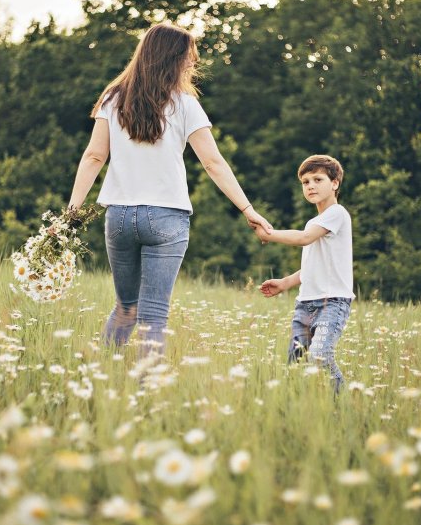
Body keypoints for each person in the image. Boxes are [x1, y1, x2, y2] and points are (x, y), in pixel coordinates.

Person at [68, 22, 271, 359]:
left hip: (118, 216)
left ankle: (101, 378)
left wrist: (72, 211)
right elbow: (213, 163)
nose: (192, 64)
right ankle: (148, 394)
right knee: (153, 317)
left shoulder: (112, 98)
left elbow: (93, 156)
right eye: (188, 58)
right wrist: (248, 210)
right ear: (170, 59)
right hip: (167, 218)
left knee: (125, 309)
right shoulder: (185, 104)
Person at [255, 154, 353, 393]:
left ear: (335, 183)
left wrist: (269, 233)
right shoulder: (317, 221)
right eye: (305, 182)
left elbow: (303, 238)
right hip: (305, 304)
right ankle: (297, 408)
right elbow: (312, 264)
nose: (310, 186)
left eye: (317, 179)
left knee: (319, 355)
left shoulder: (336, 214)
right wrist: (285, 283)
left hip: (332, 303)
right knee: (296, 363)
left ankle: (343, 402)